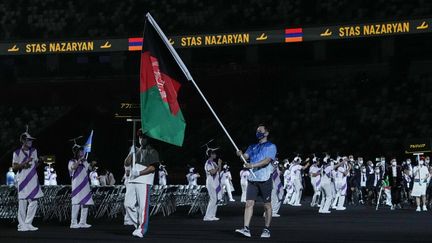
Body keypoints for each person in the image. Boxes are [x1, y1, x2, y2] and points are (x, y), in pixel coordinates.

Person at [235, 124, 277, 238]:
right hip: (252, 179)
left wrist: (252, 165)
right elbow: (245, 157)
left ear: (266, 133)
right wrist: (240, 154)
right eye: (257, 130)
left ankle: (267, 229)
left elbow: (267, 161)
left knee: (267, 205)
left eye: (260, 130)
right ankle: (246, 228)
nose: (258, 132)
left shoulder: (271, 146)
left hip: (265, 179)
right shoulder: (252, 146)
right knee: (249, 203)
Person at [124, 129, 159, 238]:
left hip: (144, 181)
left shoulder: (153, 151)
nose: (141, 139)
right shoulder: (135, 150)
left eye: (143, 137)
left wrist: (139, 172)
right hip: (132, 180)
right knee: (128, 204)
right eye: (139, 137)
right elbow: (126, 163)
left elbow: (153, 168)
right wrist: (131, 153)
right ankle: (138, 225)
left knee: (143, 207)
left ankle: (142, 229)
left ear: (148, 139)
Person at [12, 131, 43, 232]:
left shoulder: (34, 151)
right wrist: (25, 162)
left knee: (34, 201)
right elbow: (14, 168)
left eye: (31, 140)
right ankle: (21, 225)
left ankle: (28, 223)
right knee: (23, 203)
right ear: (23, 140)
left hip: (33, 179)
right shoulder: (16, 153)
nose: (31, 142)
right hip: (22, 180)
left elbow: (35, 165)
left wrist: (40, 161)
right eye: (29, 140)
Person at [68, 144, 94, 229]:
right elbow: (73, 168)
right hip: (76, 184)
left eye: (83, 151)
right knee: (76, 203)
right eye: (81, 151)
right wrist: (79, 160)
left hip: (85, 184)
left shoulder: (84, 161)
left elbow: (90, 168)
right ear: (77, 152)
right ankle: (73, 222)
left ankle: (83, 222)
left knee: (85, 202)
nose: (83, 152)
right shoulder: (71, 161)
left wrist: (91, 164)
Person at [203, 149, 223, 221]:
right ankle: (207, 216)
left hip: (216, 182)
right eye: (214, 154)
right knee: (213, 199)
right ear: (210, 155)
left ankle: (212, 215)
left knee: (216, 199)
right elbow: (213, 172)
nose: (215, 155)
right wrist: (218, 166)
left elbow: (219, 171)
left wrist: (219, 164)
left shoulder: (213, 163)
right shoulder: (208, 163)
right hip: (211, 182)